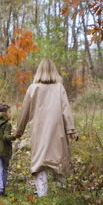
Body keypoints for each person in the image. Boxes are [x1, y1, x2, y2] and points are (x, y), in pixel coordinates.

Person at [14, 58, 77, 197]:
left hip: (39, 131)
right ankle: (62, 192)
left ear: (39, 71)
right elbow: (66, 110)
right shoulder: (59, 88)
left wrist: (19, 131)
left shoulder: (33, 88)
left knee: (40, 161)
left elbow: (24, 111)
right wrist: (71, 130)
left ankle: (42, 193)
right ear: (54, 71)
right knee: (59, 160)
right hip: (57, 130)